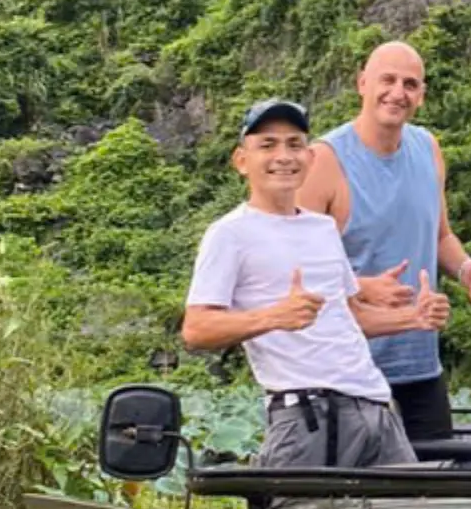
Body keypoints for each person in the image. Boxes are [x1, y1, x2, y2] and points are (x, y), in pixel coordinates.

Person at [182, 98, 450, 468]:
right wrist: (273, 317)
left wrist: (412, 319)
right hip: (305, 416)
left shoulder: (322, 228)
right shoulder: (229, 234)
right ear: (241, 161)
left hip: (374, 408)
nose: (284, 156)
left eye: (295, 144)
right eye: (267, 145)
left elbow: (351, 316)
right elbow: (196, 329)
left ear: (310, 158)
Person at [297, 42, 471, 444]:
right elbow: (299, 272)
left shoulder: (428, 149)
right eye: (387, 80)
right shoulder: (324, 161)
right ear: (362, 83)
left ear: (421, 95)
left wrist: (465, 270)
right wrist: (365, 287)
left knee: (433, 491)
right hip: (348, 371)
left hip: (421, 362)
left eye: (410, 84)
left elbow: (441, 235)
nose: (397, 93)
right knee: (356, 500)